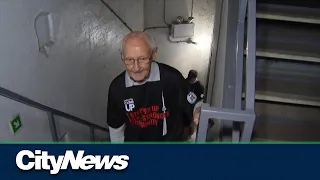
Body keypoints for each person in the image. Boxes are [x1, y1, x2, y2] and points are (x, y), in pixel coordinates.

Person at [107, 31, 196, 142]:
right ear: (122, 57)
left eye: (142, 59)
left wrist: (198, 111)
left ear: (153, 54)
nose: (136, 67)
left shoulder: (172, 78)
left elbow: (193, 104)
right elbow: (116, 128)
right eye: (129, 60)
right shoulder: (117, 88)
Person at [185, 70, 205, 141]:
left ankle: (189, 135)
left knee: (190, 122)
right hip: (184, 107)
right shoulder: (184, 83)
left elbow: (201, 98)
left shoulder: (199, 86)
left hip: (193, 108)